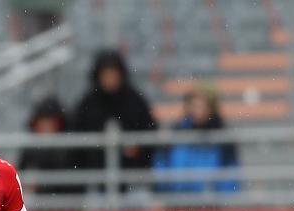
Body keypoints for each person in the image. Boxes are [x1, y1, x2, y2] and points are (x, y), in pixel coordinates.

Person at [68, 49, 157, 193]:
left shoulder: (135, 101)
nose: (110, 80)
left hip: (133, 178)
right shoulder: (88, 104)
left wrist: (137, 147)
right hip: (96, 179)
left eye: (113, 75)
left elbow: (150, 132)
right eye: (106, 75)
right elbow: (77, 140)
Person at [153, 86, 240, 194]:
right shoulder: (176, 133)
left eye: (202, 106)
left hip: (210, 201)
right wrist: (163, 192)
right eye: (194, 105)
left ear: (210, 108)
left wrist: (225, 198)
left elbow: (229, 173)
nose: (198, 110)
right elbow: (161, 166)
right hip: (177, 200)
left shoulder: (222, 137)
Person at [17, 96, 75, 196]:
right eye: (43, 122)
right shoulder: (30, 149)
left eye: (50, 123)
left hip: (65, 201)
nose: (46, 127)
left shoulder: (68, 149)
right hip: (39, 204)